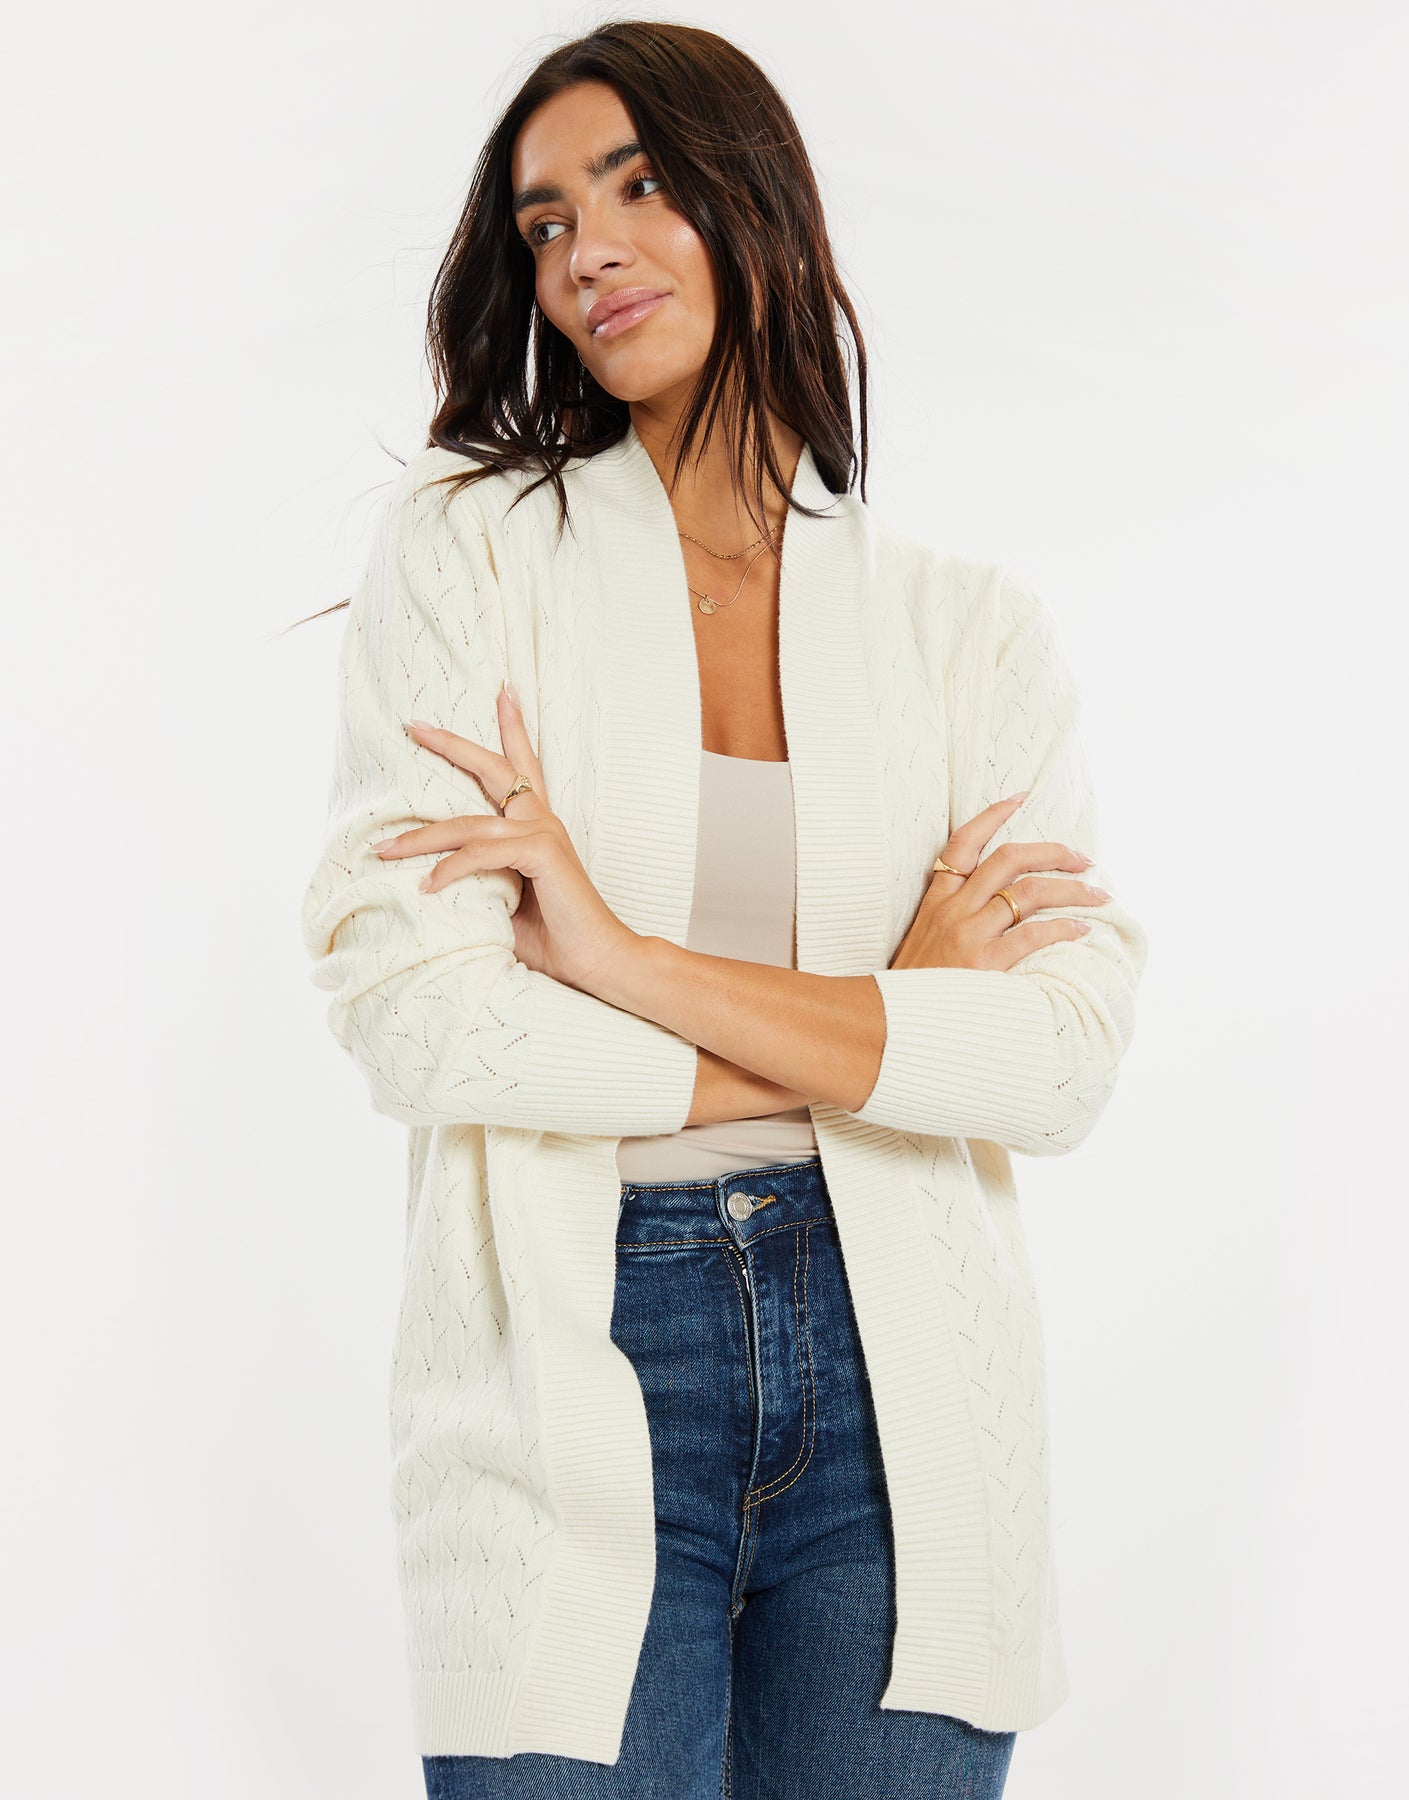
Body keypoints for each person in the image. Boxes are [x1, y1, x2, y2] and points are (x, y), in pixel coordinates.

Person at [299, 20, 1148, 1800]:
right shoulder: (473, 552)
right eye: (545, 223)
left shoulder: (966, 632)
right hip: (570, 1361)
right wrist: (886, 1024)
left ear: (758, 201)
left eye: (637, 186)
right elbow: (419, 1016)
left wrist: (617, 963)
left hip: (905, 1386)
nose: (586, 252)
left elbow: (1058, 1065)